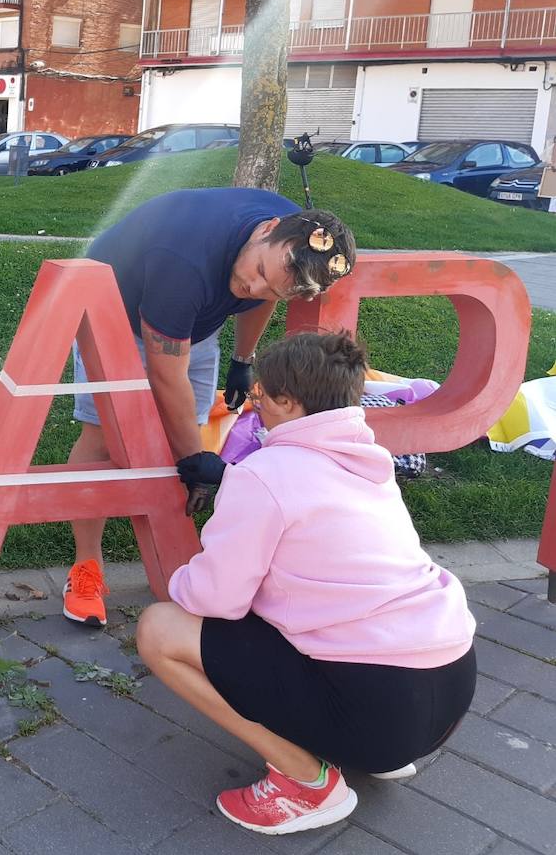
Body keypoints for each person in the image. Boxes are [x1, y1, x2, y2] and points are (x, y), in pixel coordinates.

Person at [136, 331, 476, 836]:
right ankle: (363, 748)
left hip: (378, 708)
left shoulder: (264, 473)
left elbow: (215, 598)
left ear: (289, 403)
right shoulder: (371, 463)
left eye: (260, 395)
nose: (255, 404)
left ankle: (305, 783)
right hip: (448, 693)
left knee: (160, 628)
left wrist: (182, 579)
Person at [61, 189, 357, 628]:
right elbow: (167, 375)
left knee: (190, 430)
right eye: (257, 271)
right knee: (104, 435)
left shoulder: (293, 241)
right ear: (266, 230)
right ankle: (86, 567)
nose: (253, 287)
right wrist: (192, 459)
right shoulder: (185, 259)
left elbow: (263, 296)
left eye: (272, 286)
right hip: (111, 309)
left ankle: (181, 561)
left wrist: (244, 358)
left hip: (192, 323)